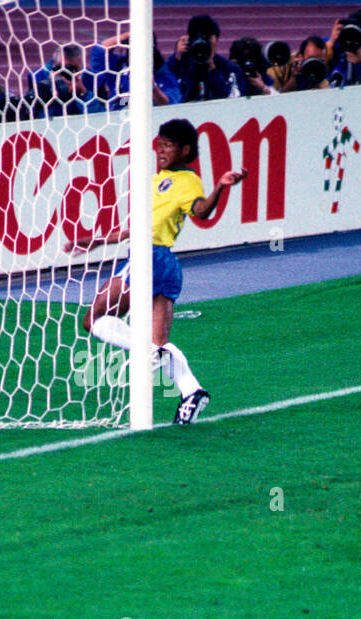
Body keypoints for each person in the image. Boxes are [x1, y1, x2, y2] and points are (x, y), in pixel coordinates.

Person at [66, 119, 245, 424]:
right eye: (160, 143)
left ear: (185, 150)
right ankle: (192, 391)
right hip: (164, 265)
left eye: (169, 145)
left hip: (149, 258)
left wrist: (220, 187)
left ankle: (152, 354)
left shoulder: (187, 181)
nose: (161, 150)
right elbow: (132, 229)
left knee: (92, 319)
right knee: (158, 347)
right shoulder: (156, 180)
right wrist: (95, 241)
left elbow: (201, 211)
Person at [168, 14, 246, 102]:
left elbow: (232, 102)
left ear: (217, 39)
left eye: (207, 38)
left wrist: (212, 70)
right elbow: (171, 98)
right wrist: (177, 59)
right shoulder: (179, 65)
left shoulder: (230, 69)